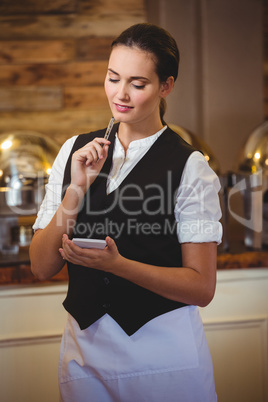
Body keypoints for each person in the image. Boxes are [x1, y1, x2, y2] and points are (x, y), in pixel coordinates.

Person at [30, 23, 222, 402]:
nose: (120, 94)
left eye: (137, 83)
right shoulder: (74, 150)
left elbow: (202, 287)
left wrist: (118, 265)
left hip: (165, 359)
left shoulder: (190, 166)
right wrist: (77, 187)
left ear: (165, 86)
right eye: (113, 77)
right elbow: (40, 266)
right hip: (84, 357)